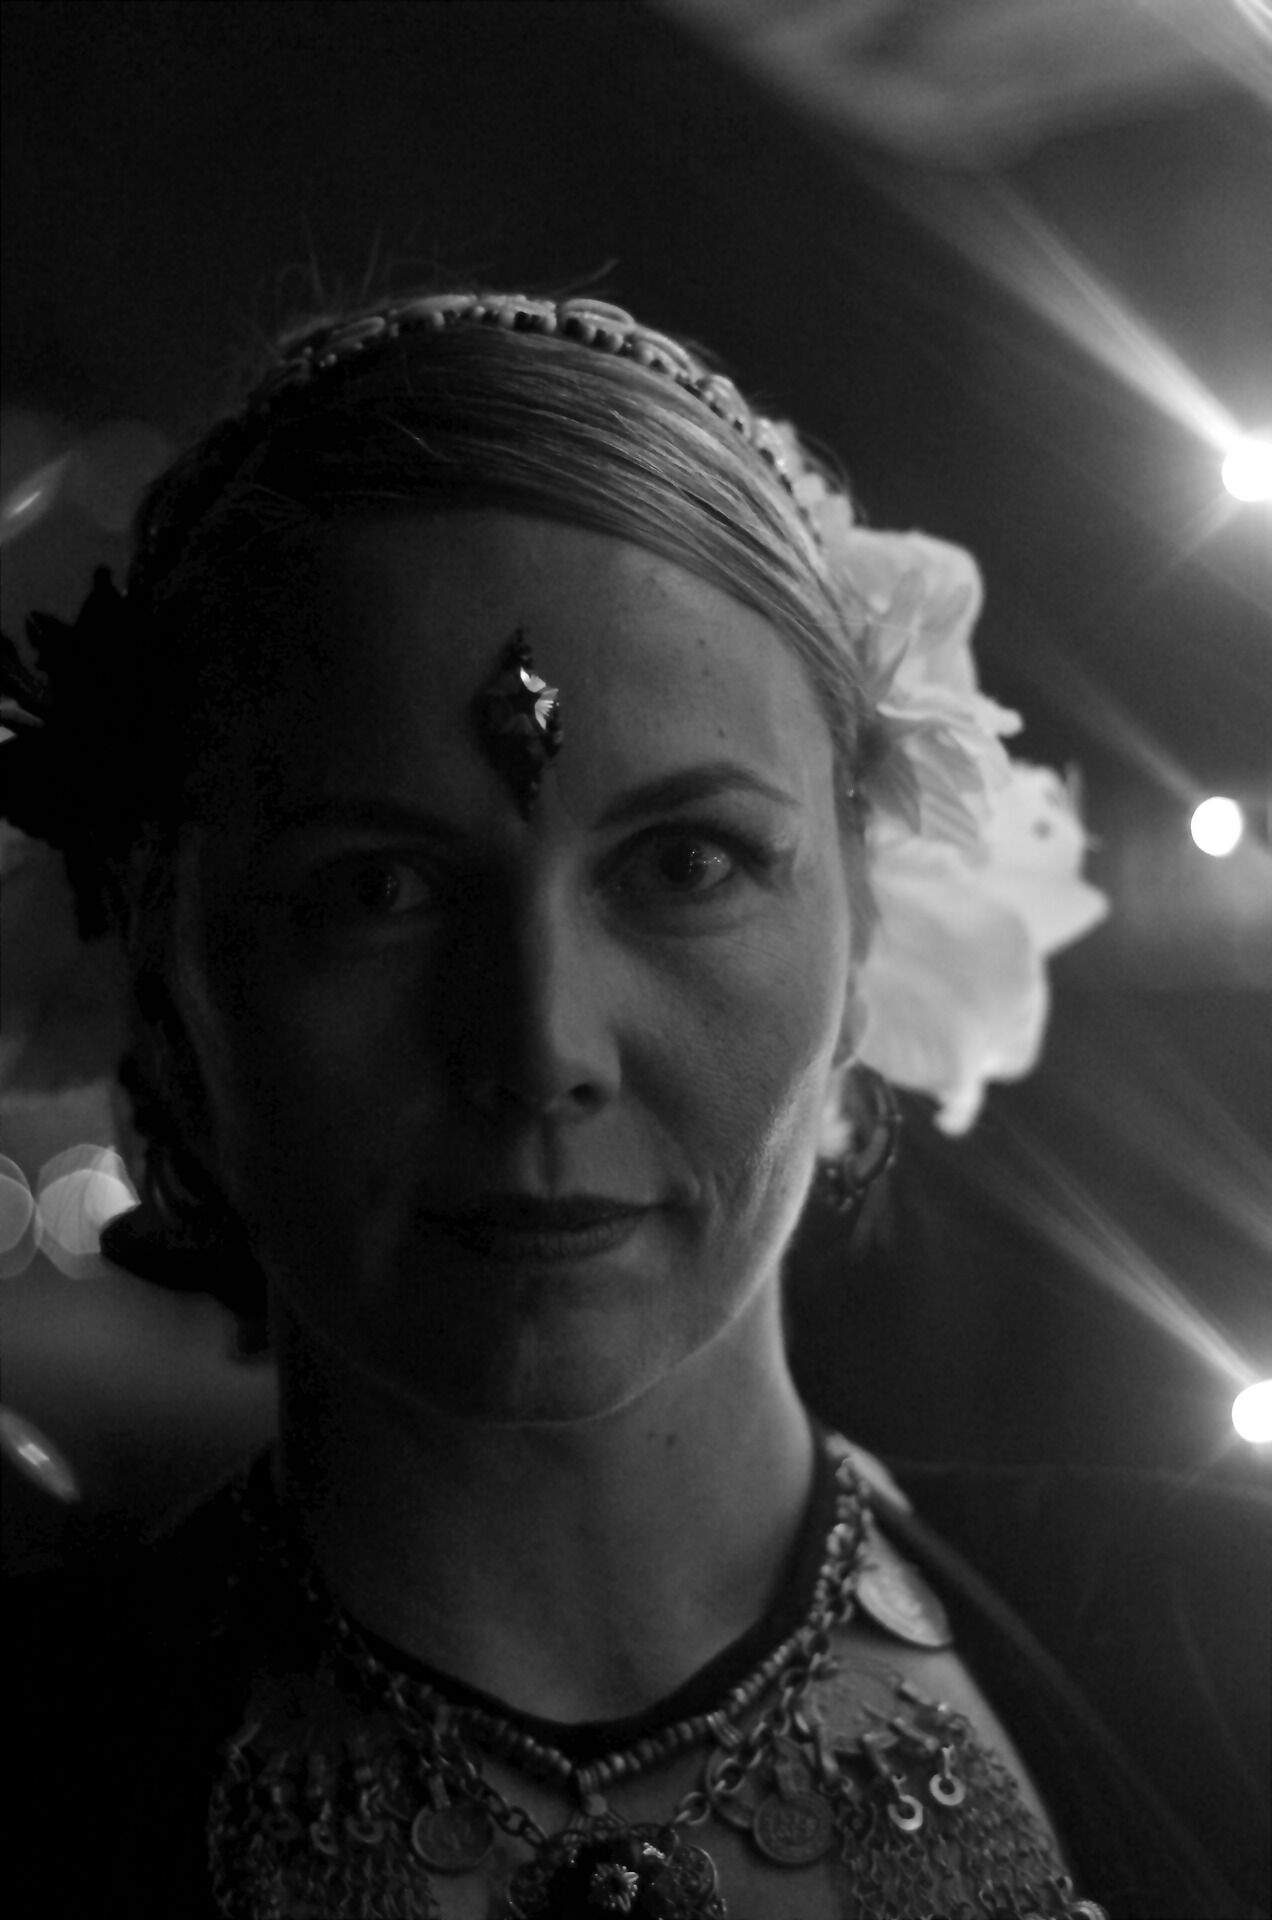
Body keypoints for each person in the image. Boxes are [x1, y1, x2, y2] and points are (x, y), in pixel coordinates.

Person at [1, 290, 1261, 1920]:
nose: (542, 1044)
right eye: (376, 887)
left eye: (686, 865)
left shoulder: (1226, 1653)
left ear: (868, 927)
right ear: (163, 965)